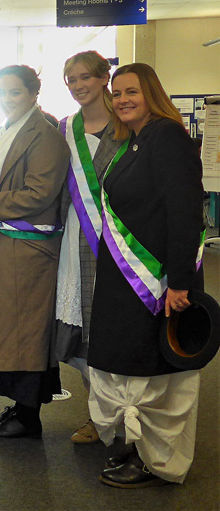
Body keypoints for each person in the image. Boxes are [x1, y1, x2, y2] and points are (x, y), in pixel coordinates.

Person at [87, 63, 204, 488]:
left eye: (131, 91)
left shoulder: (168, 136)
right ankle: (137, 445)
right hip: (127, 281)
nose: (122, 100)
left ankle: (155, 458)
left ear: (151, 92)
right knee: (131, 364)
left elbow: (185, 212)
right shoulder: (132, 141)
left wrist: (179, 281)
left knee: (152, 370)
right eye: (116, 93)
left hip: (157, 283)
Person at [0, 65, 70, 438]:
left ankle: (29, 415)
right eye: (3, 92)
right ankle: (18, 408)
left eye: (15, 92)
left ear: (34, 94)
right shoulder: (0, 132)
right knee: (8, 328)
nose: (8, 99)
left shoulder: (47, 136)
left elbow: (40, 193)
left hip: (28, 245)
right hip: (0, 239)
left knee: (27, 330)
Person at [54, 51, 122, 445]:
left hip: (122, 244)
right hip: (75, 242)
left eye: (85, 78)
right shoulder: (65, 129)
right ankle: (97, 415)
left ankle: (125, 415)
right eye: (71, 80)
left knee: (115, 330)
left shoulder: (129, 125)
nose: (79, 86)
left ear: (103, 78)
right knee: (81, 332)